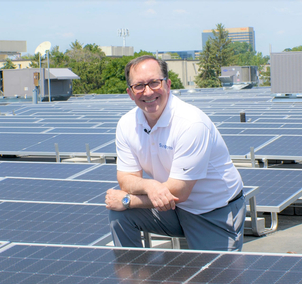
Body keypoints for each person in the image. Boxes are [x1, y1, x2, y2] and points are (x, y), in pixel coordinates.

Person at [105, 55, 245, 251]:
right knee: (119, 214)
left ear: (168, 85)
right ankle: (134, 274)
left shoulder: (191, 123)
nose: (148, 91)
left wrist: (128, 201)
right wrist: (150, 185)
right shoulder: (126, 124)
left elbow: (179, 191)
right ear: (130, 93)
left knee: (215, 276)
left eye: (155, 82)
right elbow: (126, 179)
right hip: (170, 209)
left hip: (212, 210)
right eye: (139, 86)